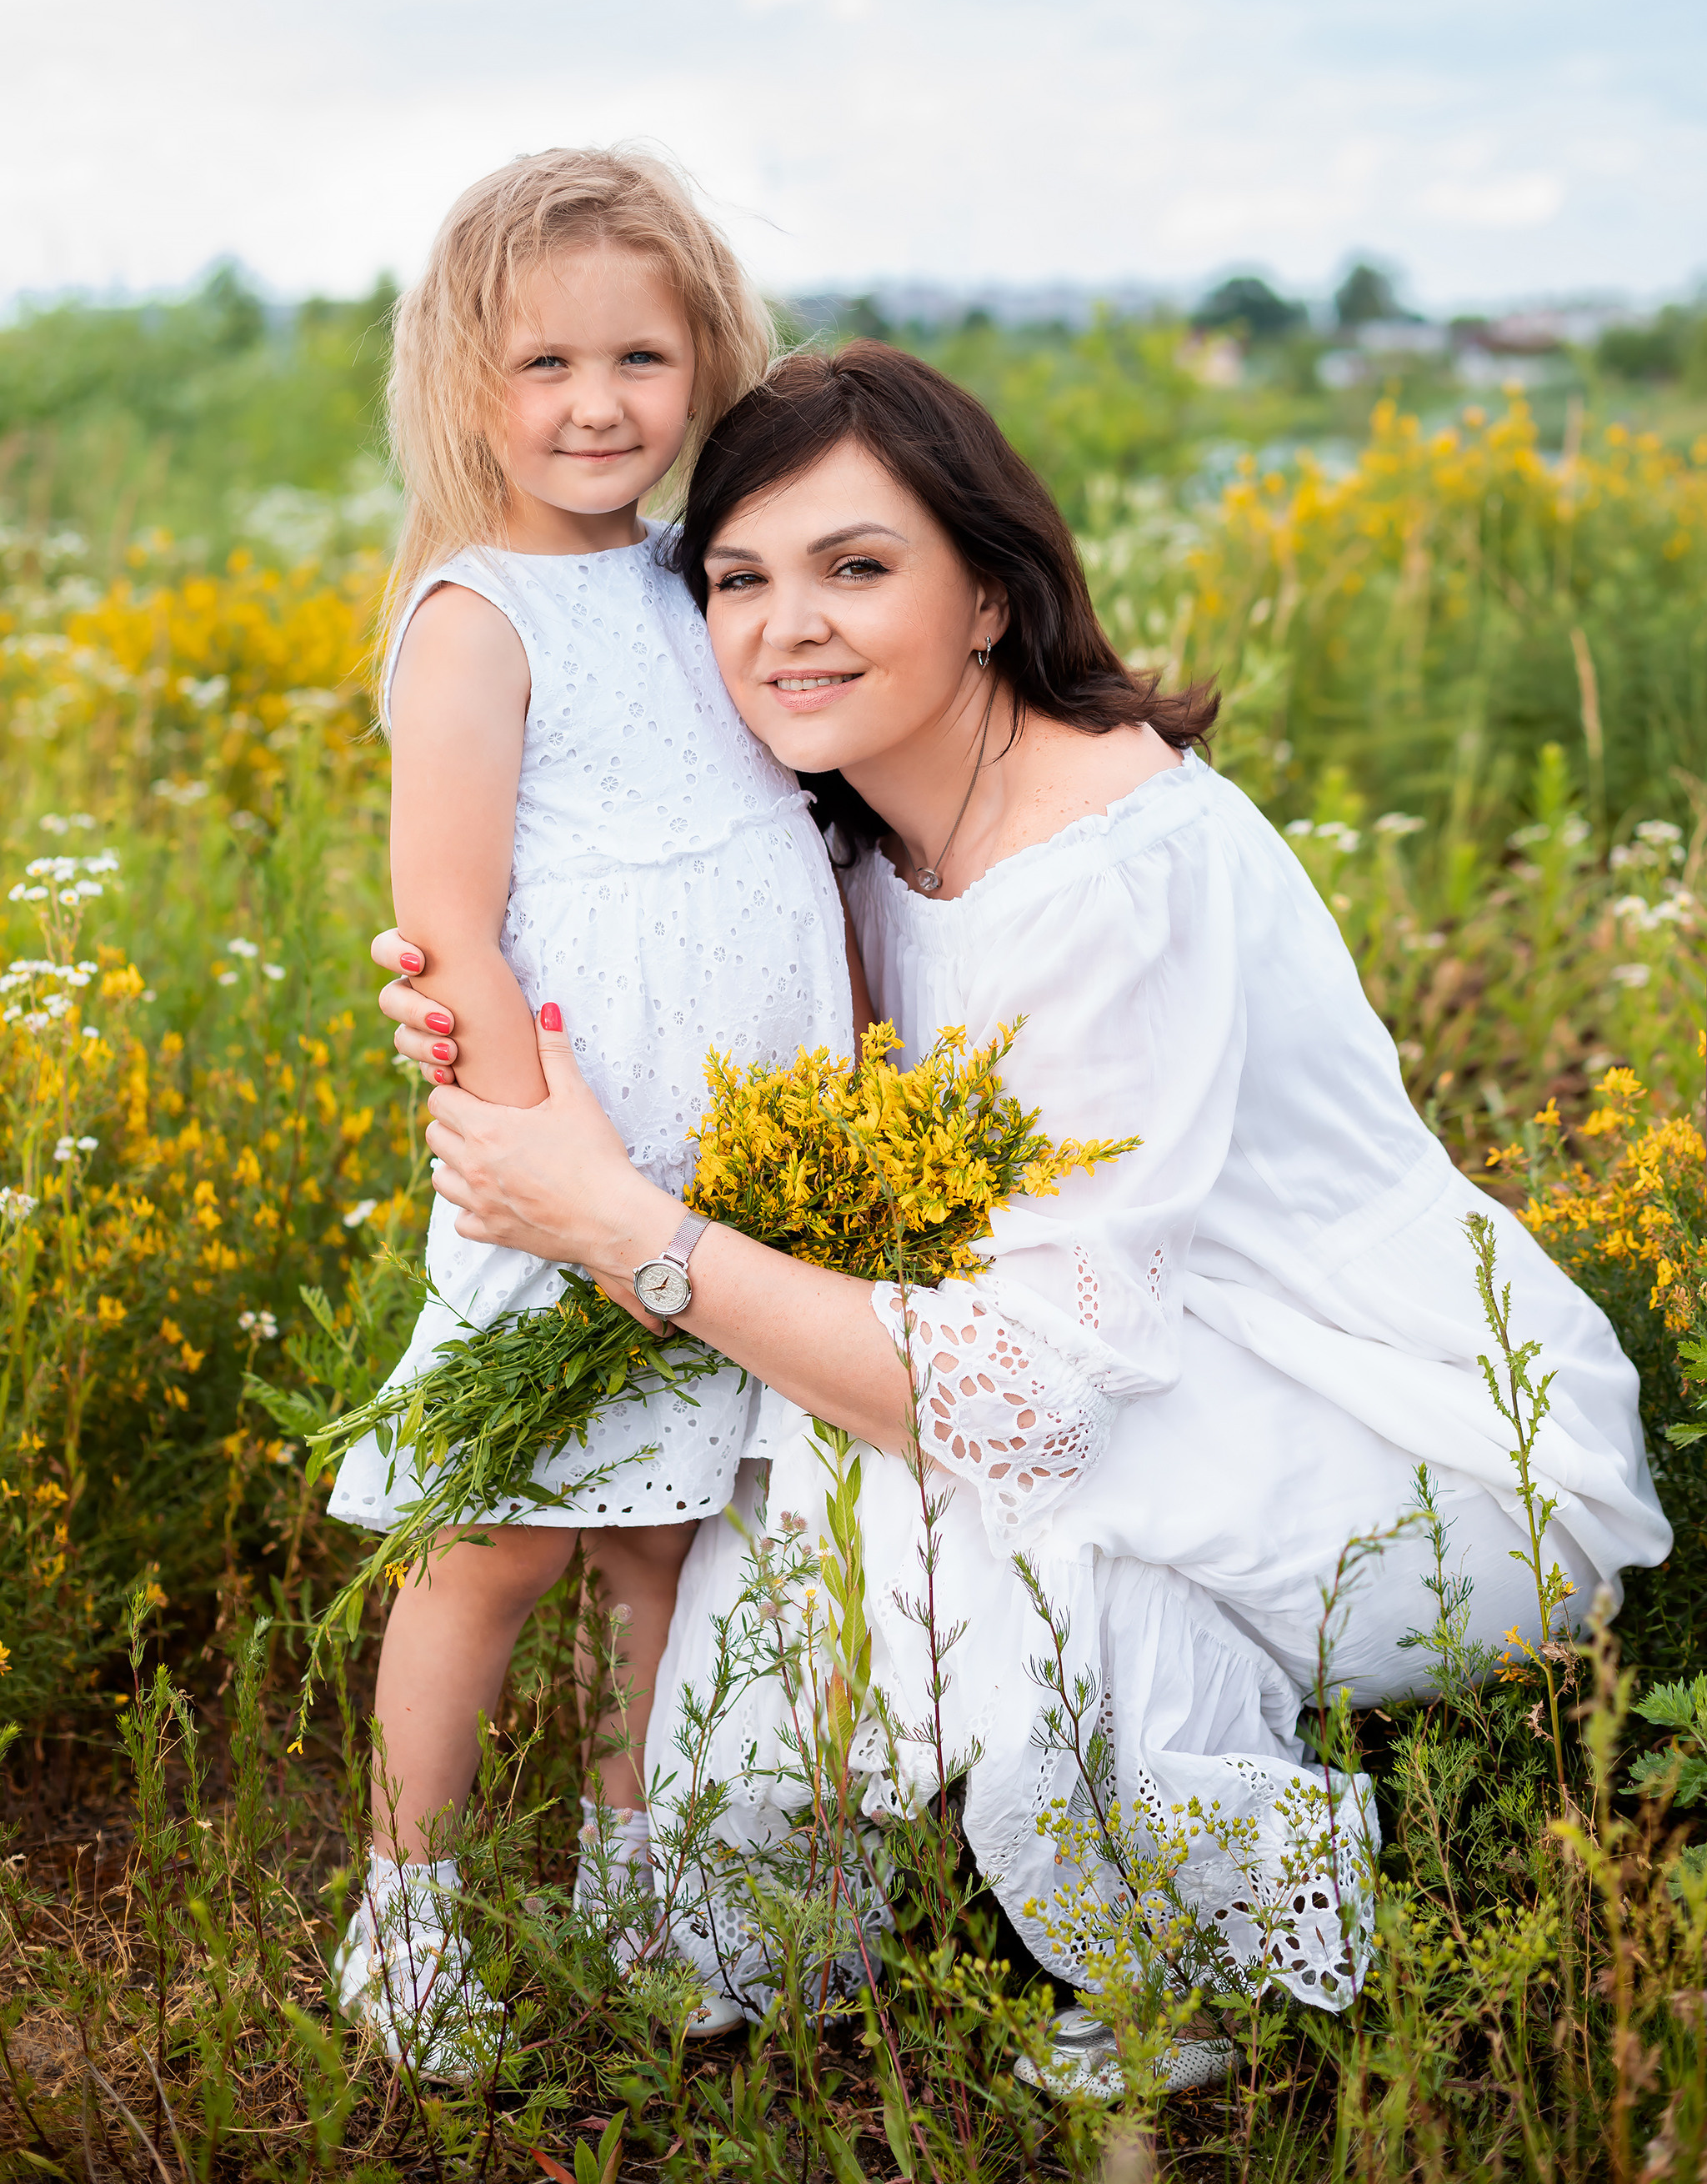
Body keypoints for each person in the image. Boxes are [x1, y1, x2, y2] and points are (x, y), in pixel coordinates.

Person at [374, 341, 1669, 2030]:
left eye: (858, 567)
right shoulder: (835, 841)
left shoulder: (1120, 868)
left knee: (985, 1515)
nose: (787, 627)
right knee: (772, 1634)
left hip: (1402, 1442)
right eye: (739, 578)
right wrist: (480, 1022)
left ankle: (1176, 1965)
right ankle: (938, 1842)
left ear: (988, 594)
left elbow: (1029, 1394)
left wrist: (618, 1227)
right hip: (1090, 1369)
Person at [330, 150, 859, 2073]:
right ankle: (407, 1916)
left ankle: (652, 1885)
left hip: (732, 1166)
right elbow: (451, 926)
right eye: (543, 361)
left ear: (705, 358)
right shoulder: (479, 614)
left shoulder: (703, 572)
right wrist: (560, 1178)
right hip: (571, 1161)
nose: (596, 404)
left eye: (641, 356)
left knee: (672, 1539)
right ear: (464, 378)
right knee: (495, 1541)